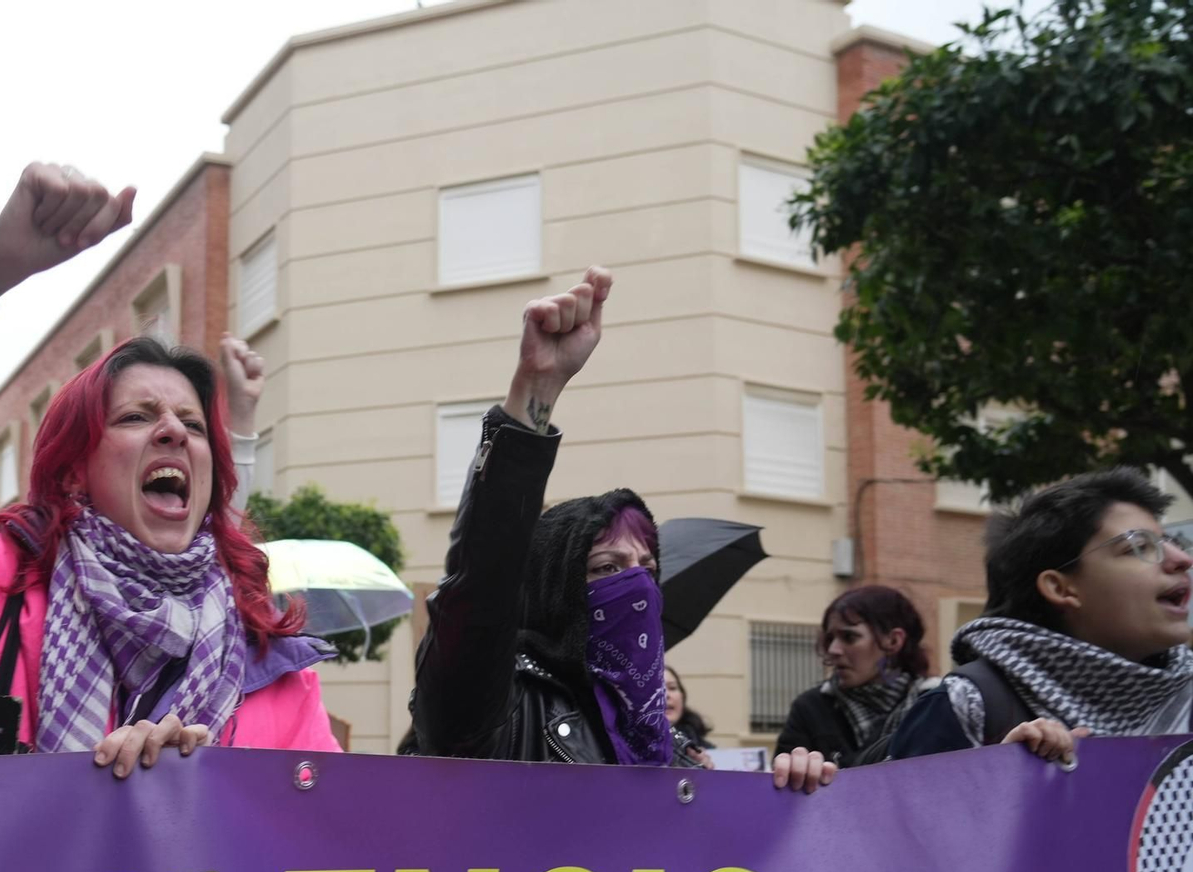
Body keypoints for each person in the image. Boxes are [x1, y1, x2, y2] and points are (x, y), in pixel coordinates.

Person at [0, 163, 339, 778]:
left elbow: (319, 837)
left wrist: (203, 798)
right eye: (136, 417)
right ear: (75, 472)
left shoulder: (274, 660)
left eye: (194, 424)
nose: (175, 431)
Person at [411, 273, 834, 793]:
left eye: (648, 570)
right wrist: (537, 390)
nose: (637, 588)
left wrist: (790, 798)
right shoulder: (492, 705)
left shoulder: (669, 744)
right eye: (606, 569)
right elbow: (482, 585)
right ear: (553, 588)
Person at [891, 468, 1193, 765]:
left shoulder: (1186, 694)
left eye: (1171, 544)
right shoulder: (968, 705)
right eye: (1139, 547)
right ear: (1061, 588)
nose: (1182, 560)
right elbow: (904, 812)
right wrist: (1001, 775)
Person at [776, 585, 937, 766]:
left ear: (893, 641)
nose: (833, 649)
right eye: (830, 638)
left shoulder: (934, 704)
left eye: (849, 637)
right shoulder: (810, 708)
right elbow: (781, 788)